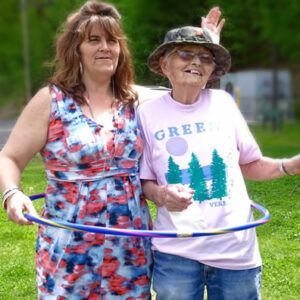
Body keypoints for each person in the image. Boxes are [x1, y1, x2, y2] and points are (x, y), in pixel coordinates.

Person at [0, 1, 224, 299]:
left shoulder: (135, 99)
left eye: (112, 40)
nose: (105, 47)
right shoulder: (51, 101)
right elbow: (9, 157)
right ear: (75, 49)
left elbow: (190, 89)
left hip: (128, 251)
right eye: (94, 40)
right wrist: (11, 193)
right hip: (70, 249)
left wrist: (205, 46)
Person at [137, 25, 300, 300]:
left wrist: (289, 165)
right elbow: (145, 182)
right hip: (177, 252)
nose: (196, 62)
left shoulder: (224, 103)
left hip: (234, 250)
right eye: (185, 54)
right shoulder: (147, 113)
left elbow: (250, 163)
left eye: (205, 58)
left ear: (212, 71)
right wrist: (162, 195)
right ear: (165, 65)